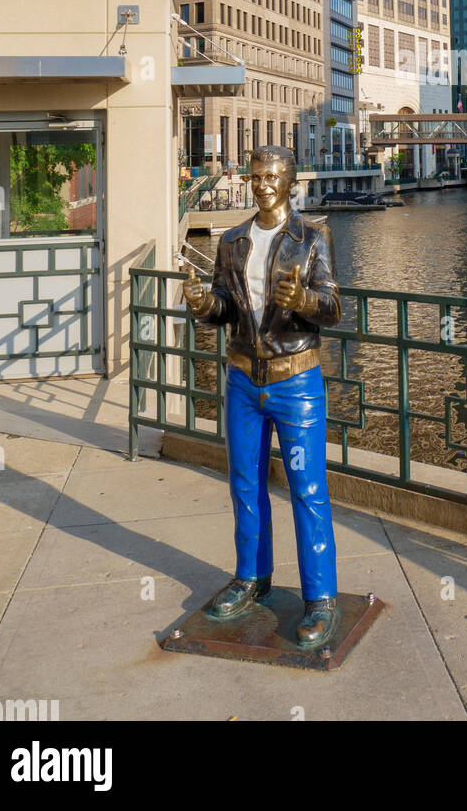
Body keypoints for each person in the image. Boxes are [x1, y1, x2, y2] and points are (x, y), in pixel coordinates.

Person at [183, 146, 342, 648]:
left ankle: (320, 598)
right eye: (256, 176)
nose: (263, 184)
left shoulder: (312, 237)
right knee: (244, 482)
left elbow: (334, 307)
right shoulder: (232, 241)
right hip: (243, 381)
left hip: (296, 381)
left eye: (273, 175)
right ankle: (251, 578)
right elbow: (226, 308)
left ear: (290, 181)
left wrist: (306, 301)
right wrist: (204, 303)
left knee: (307, 488)